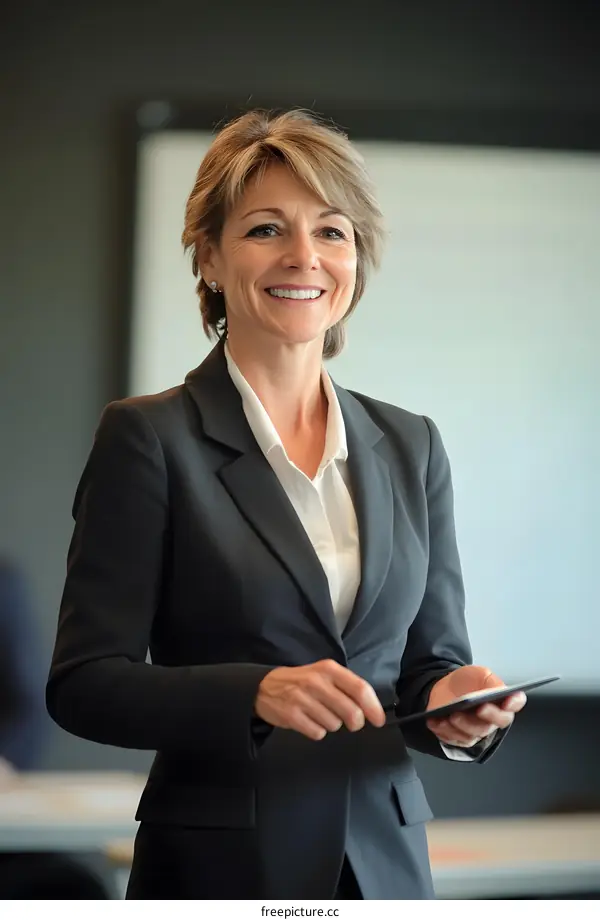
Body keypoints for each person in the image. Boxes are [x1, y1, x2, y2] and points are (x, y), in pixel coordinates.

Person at [46, 108, 526, 900]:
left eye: (332, 231)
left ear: (356, 259)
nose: (304, 256)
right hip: (222, 869)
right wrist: (255, 693)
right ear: (209, 256)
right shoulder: (150, 438)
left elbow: (428, 665)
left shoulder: (412, 444)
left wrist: (455, 706)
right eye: (266, 229)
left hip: (384, 868)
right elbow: (85, 684)